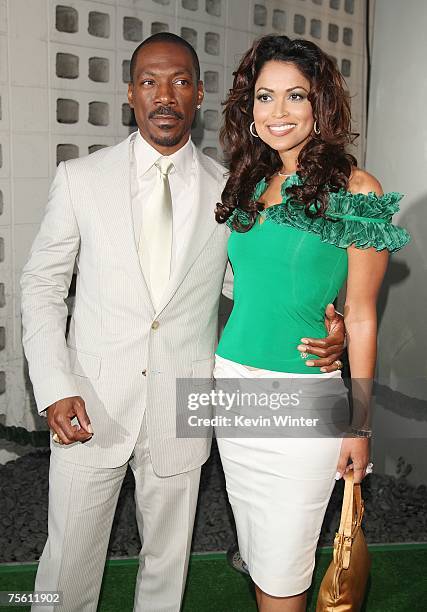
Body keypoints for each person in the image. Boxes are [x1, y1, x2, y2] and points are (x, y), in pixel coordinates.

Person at [20, 33, 345, 612]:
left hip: (186, 404)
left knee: (167, 567)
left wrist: (330, 320)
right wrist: (54, 385)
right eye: (149, 81)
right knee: (63, 563)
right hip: (87, 401)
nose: (163, 95)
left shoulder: (234, 189)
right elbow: (41, 287)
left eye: (179, 82)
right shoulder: (79, 179)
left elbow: (250, 286)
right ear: (130, 94)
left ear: (199, 95)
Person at [214, 35, 410, 612]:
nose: (278, 113)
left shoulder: (357, 190)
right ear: (249, 112)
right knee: (257, 548)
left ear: (320, 104)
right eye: (265, 97)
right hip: (231, 385)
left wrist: (360, 423)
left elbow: (363, 314)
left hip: (303, 397)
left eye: (294, 96)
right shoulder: (249, 183)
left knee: (284, 564)